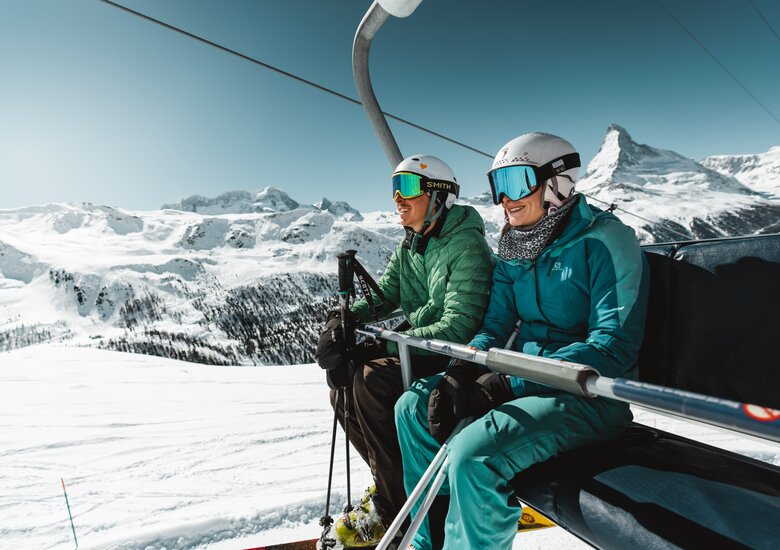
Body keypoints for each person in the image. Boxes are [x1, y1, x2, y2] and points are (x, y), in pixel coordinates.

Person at [395, 133, 650, 549]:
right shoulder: (515, 246)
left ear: (557, 183)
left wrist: (506, 382)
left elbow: (612, 346)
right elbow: (495, 325)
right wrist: (463, 369)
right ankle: (430, 541)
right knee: (412, 408)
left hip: (589, 396)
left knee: (474, 454)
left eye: (515, 183)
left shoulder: (605, 241)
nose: (504, 200)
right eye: (498, 186)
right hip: (526, 382)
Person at [316, 154, 493, 546]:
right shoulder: (412, 243)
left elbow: (460, 326)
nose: (398, 197)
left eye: (409, 187)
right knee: (342, 387)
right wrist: (342, 320)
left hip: (455, 358)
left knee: (371, 380)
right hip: (421, 347)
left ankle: (394, 506)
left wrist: (385, 342)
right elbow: (387, 294)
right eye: (395, 187)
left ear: (439, 196)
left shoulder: (466, 246)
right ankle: (390, 487)